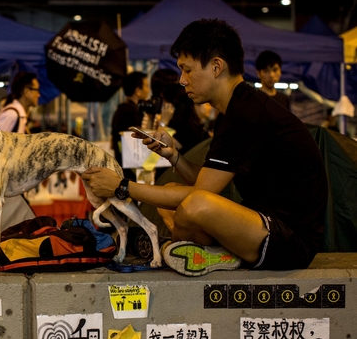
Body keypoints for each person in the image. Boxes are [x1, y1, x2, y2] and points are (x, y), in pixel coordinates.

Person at [82, 19, 328, 277]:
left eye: (187, 70)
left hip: (289, 240)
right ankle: (201, 252)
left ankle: (180, 249)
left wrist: (121, 187)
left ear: (217, 66)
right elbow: (206, 183)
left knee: (194, 204)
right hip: (259, 223)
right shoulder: (233, 110)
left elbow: (201, 194)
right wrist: (174, 157)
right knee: (170, 195)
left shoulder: (246, 113)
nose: (181, 80)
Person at [150, 68, 210, 155]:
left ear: (161, 93)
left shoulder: (179, 119)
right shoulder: (185, 114)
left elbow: (158, 151)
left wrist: (163, 123)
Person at [110, 71, 149, 180]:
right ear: (137, 91)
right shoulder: (130, 112)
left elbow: (112, 142)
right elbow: (137, 143)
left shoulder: (121, 109)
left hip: (123, 167)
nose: (148, 90)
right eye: (146, 86)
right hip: (131, 171)